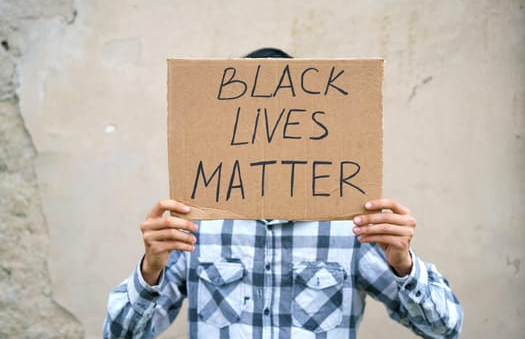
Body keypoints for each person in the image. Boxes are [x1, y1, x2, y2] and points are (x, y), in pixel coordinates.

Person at [103, 48, 463, 339]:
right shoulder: (197, 227)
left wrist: (404, 265)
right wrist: (150, 270)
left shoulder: (350, 229)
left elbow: (444, 328)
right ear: (228, 129)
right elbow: (120, 335)